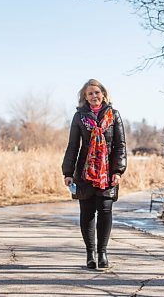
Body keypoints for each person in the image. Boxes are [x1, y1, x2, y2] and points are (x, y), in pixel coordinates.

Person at [62, 79, 127, 269]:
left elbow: (120, 146)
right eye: (90, 93)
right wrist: (68, 172)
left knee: (105, 211)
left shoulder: (114, 116)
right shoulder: (79, 117)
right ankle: (90, 254)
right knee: (87, 213)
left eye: (97, 92)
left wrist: (118, 171)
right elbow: (73, 146)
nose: (94, 96)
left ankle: (103, 253)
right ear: (85, 97)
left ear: (103, 94)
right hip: (84, 173)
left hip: (107, 174)